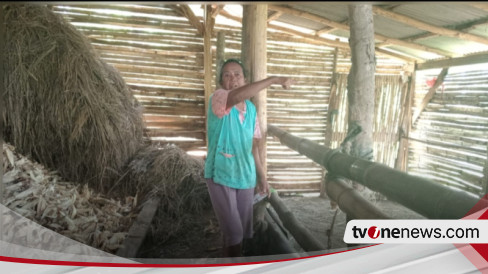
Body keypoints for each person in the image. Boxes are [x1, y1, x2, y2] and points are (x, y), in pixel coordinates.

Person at [204, 58, 294, 257]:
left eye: (237, 74)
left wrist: (262, 177)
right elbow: (235, 97)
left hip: (245, 175)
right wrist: (272, 80)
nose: (232, 78)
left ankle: (226, 262)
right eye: (227, 75)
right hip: (221, 173)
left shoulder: (251, 110)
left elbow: (253, 146)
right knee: (234, 232)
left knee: (240, 232)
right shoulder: (219, 98)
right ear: (221, 82)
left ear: (245, 80)